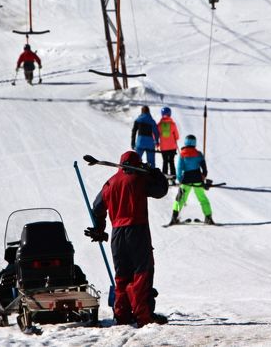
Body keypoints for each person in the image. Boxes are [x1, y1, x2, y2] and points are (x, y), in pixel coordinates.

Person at [84, 150, 169, 327]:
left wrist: (99, 229)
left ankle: (122, 316)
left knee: (122, 277)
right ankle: (143, 317)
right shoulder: (139, 179)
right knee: (141, 274)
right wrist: (157, 174)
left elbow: (97, 206)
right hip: (136, 231)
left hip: (117, 235)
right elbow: (161, 191)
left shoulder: (110, 183)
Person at [168, 134, 214, 225]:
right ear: (194, 143)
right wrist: (203, 177)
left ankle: (174, 216)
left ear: (185, 142)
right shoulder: (199, 154)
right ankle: (208, 217)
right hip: (197, 179)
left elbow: (179, 169)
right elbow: (204, 169)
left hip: (186, 180)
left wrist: (180, 179)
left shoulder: (182, 154)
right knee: (202, 198)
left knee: (180, 198)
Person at [157, 107, 180, 184]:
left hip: (163, 148)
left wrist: (157, 143)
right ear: (170, 114)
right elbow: (177, 136)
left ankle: (164, 178)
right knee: (171, 162)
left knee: (165, 162)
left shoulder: (159, 125)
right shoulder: (173, 124)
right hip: (172, 147)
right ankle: (173, 178)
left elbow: (155, 136)